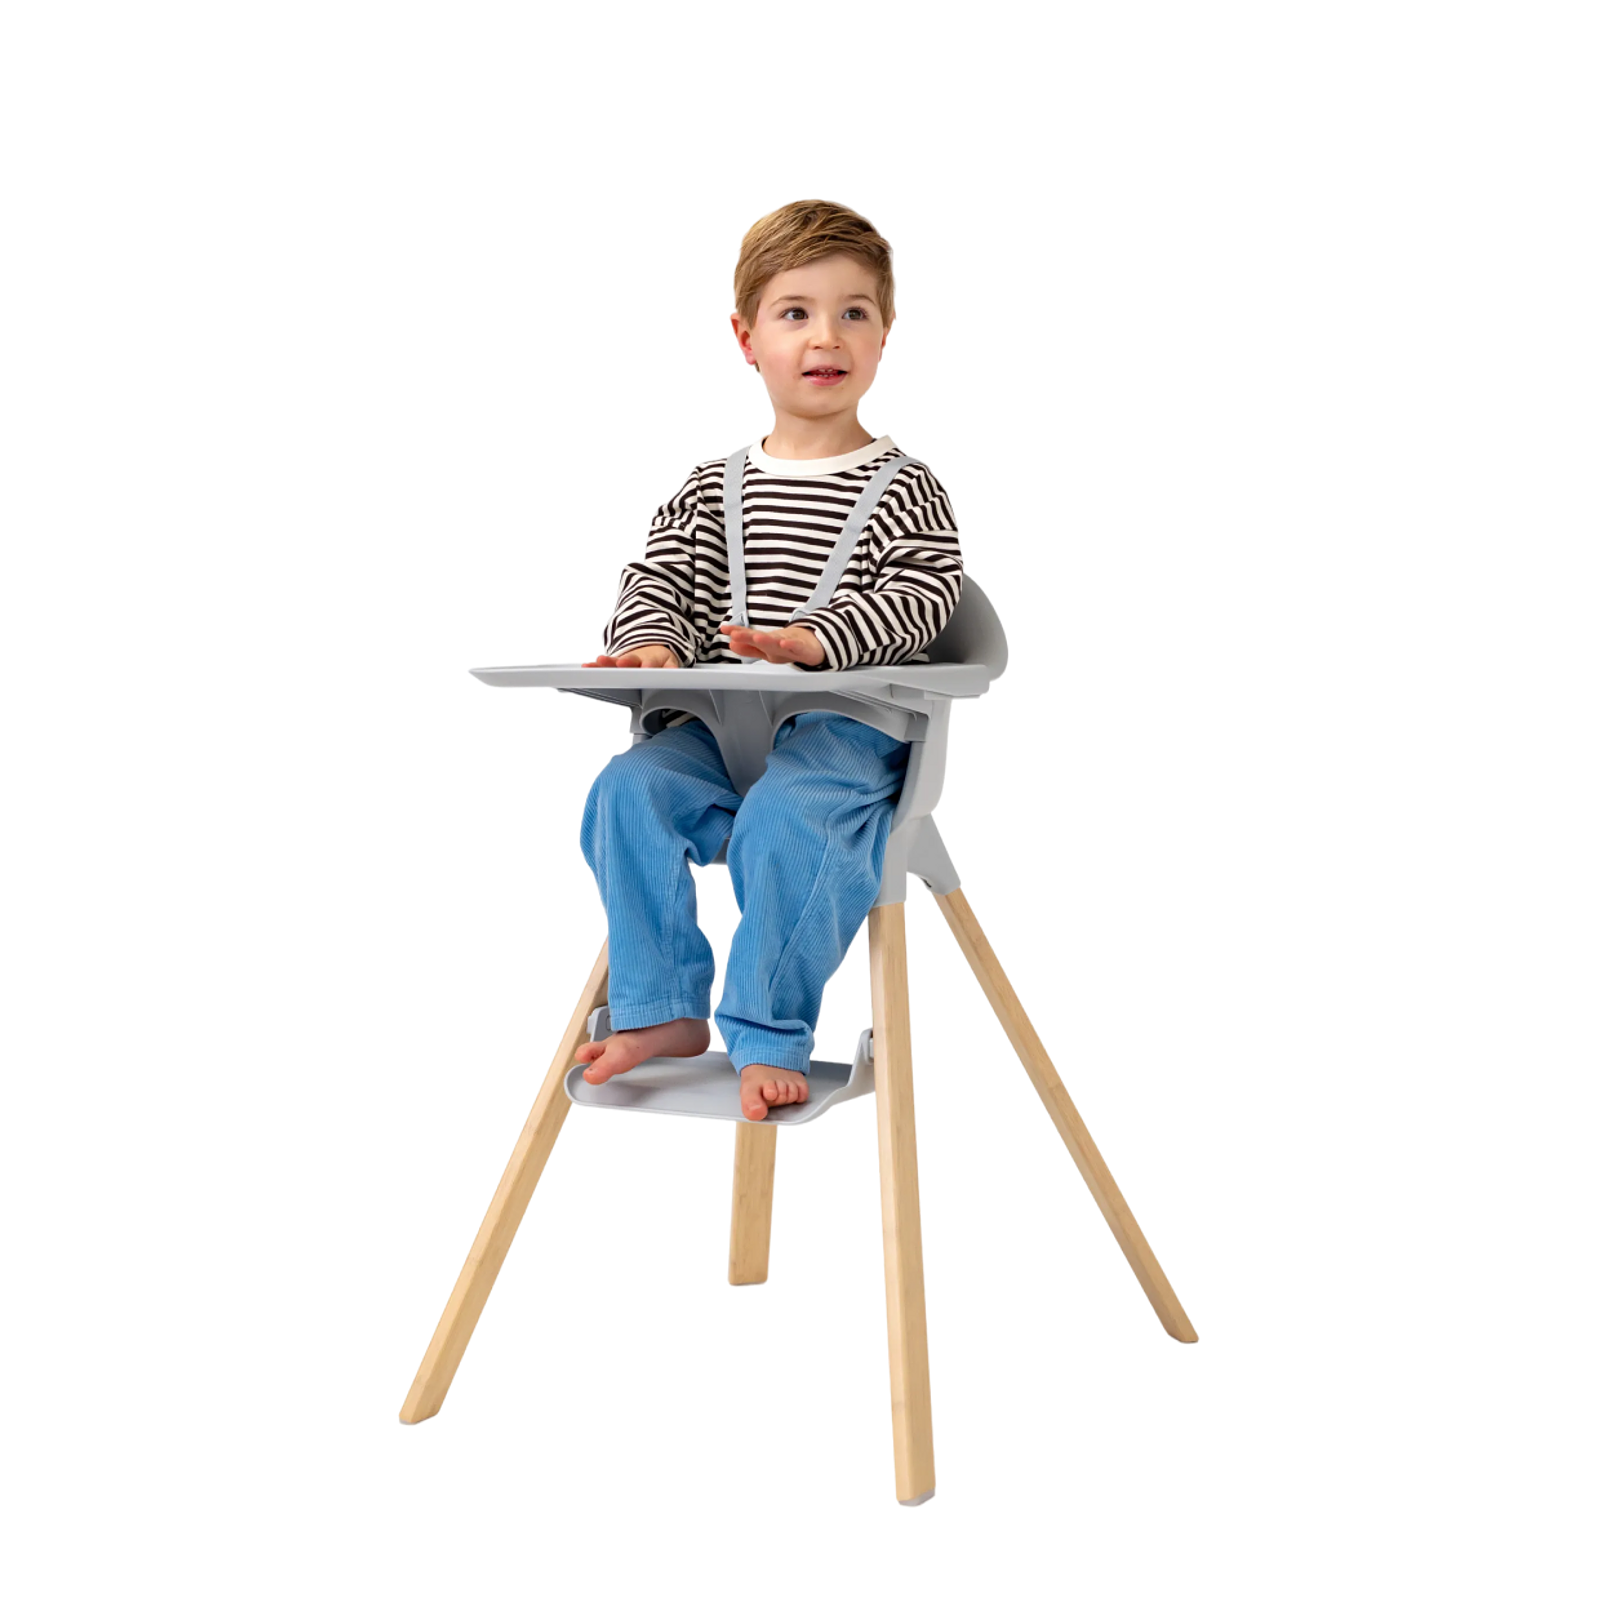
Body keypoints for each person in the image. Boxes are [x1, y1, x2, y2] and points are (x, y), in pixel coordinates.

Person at [574, 198, 963, 1121]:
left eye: (853, 311)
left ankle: (767, 1031)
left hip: (844, 736)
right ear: (748, 339)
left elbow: (924, 594)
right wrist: (651, 644)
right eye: (796, 312)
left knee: (787, 819)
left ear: (885, 333)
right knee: (625, 791)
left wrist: (819, 641)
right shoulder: (712, 488)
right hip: (717, 733)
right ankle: (664, 1009)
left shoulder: (906, 488)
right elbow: (660, 577)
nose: (826, 335)